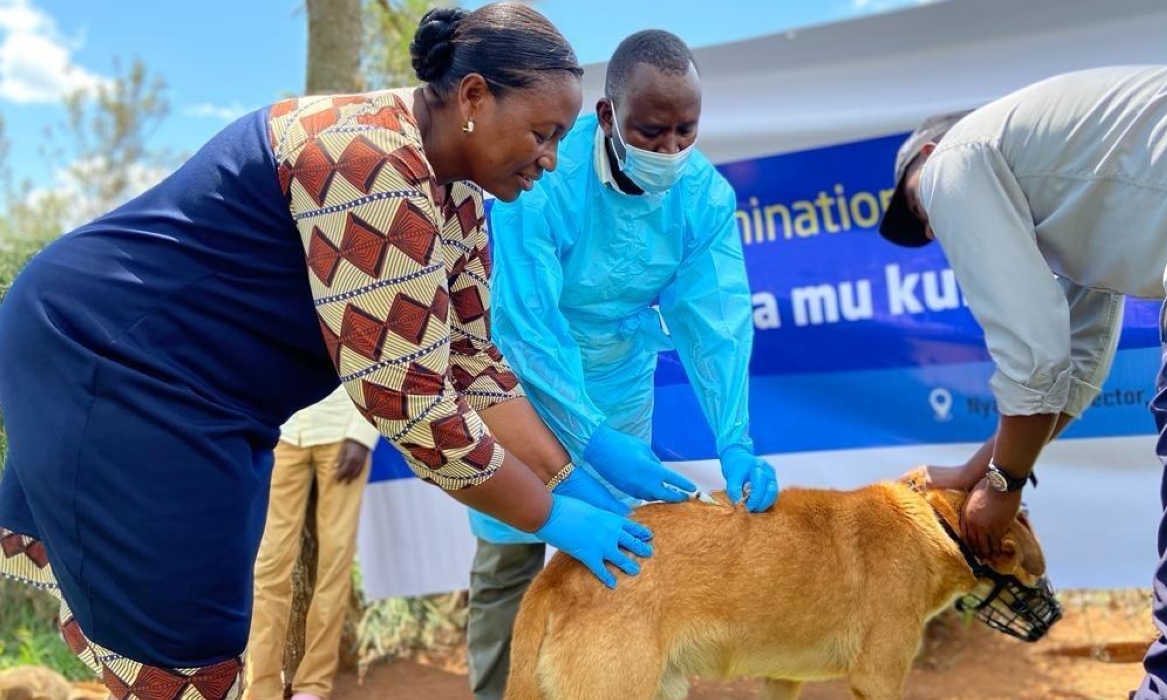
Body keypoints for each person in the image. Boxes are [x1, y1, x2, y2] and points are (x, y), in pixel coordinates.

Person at [0, 5, 656, 699]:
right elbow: (417, 412)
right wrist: (551, 517)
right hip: (116, 360)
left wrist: (572, 474)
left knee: (208, 621)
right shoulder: (371, 162)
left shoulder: (456, 192)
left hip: (206, 389)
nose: (551, 160)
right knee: (184, 647)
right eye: (542, 133)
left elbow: (473, 364)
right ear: (472, 98)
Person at [464, 30, 780, 700]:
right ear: (607, 115)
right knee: (509, 554)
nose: (670, 150)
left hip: (619, 380)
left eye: (685, 132)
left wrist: (735, 439)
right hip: (520, 391)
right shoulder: (543, 173)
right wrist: (586, 441)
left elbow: (715, 322)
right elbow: (526, 328)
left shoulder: (704, 197)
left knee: (625, 557)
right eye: (652, 131)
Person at [877, 65, 1167, 700]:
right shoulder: (1072, 201)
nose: (936, 230)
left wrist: (1002, 485)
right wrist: (984, 470)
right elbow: (1076, 370)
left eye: (920, 208)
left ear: (929, 159)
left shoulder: (956, 160)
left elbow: (1035, 356)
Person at [246, 388, 378, 700]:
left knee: (335, 562)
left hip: (342, 431)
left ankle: (313, 685)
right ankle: (261, 687)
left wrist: (362, 435)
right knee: (269, 565)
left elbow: (378, 355)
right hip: (281, 432)